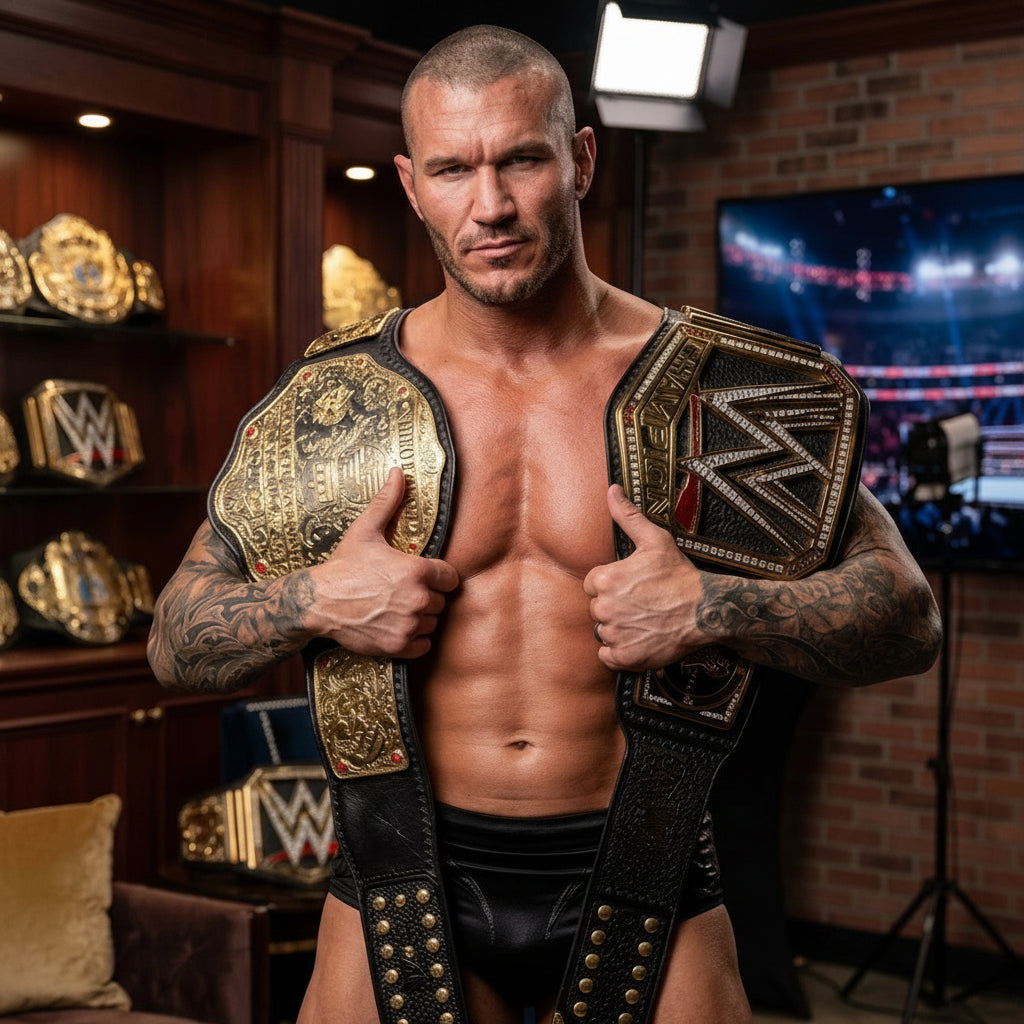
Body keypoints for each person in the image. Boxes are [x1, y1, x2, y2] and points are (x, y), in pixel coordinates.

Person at [148, 24, 942, 1024]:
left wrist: (713, 604)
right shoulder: (330, 406)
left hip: (646, 872)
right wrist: (316, 598)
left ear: (580, 159)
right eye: (451, 169)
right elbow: (177, 637)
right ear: (409, 182)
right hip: (399, 871)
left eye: (521, 158)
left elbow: (908, 620)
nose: (489, 205)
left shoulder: (720, 389)